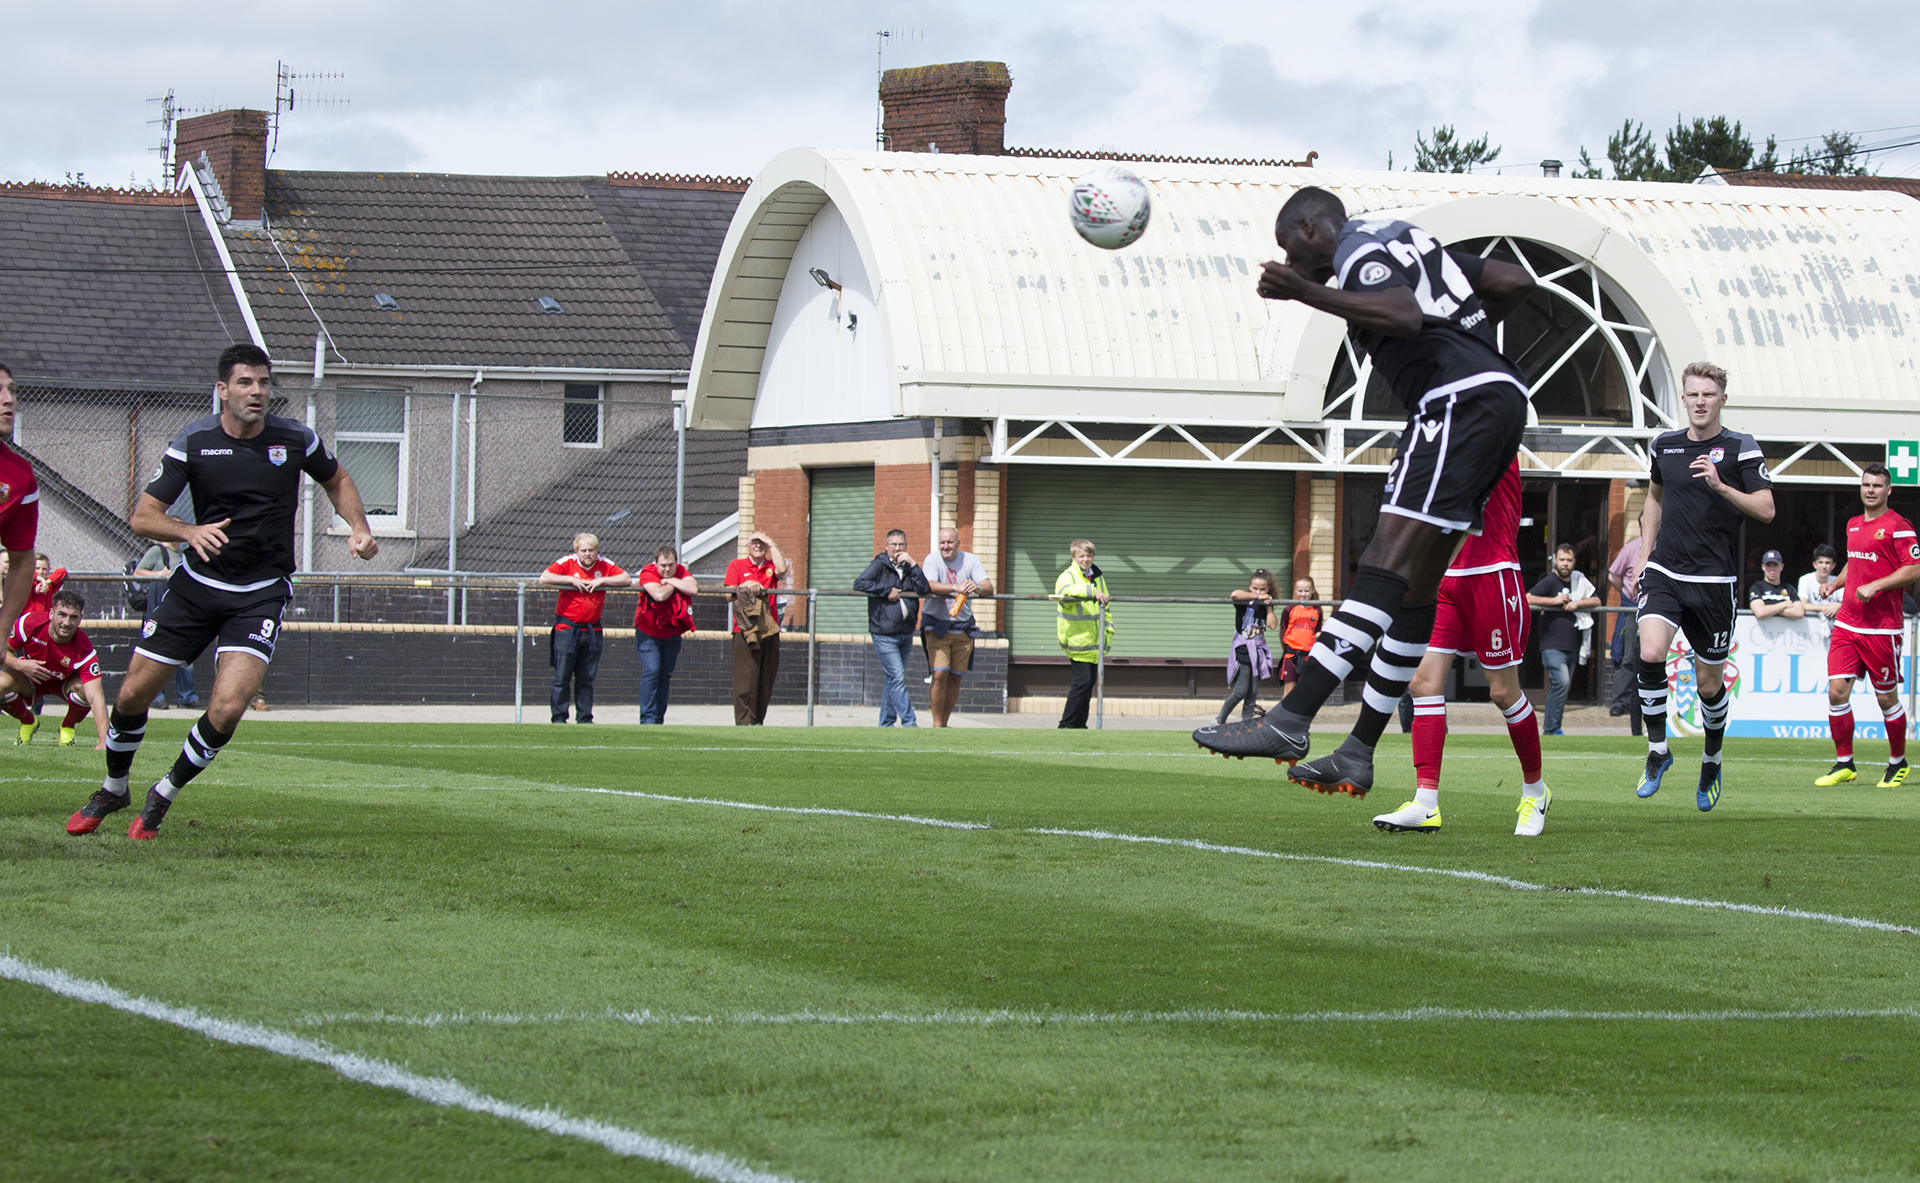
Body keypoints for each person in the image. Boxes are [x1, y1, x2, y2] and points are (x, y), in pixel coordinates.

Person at [1197, 186, 1536, 773]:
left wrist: (1305, 291)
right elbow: (1513, 282)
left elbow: (1404, 316)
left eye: (1288, 247)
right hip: (1497, 398)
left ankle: (1290, 719)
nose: (1290, 260)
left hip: (1456, 400)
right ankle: (1357, 751)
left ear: (1308, 227)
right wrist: (1462, 339)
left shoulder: (1353, 247)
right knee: (1417, 586)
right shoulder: (1407, 237)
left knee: (1385, 561)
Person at [65, 342, 378, 840]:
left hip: (260, 593)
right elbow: (142, 517)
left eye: (263, 382)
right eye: (245, 383)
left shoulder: (295, 438)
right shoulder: (194, 441)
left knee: (228, 707)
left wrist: (357, 526)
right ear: (222, 390)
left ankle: (163, 793)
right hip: (194, 587)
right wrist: (187, 532)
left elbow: (337, 478)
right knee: (132, 694)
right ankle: (114, 785)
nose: (256, 392)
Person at [1334, 460, 1551, 834]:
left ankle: (1535, 791)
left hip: (1491, 574)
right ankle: (1425, 802)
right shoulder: (1444, 436)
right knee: (1423, 683)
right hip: (1443, 578)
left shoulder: (1496, 428)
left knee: (1502, 693)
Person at [1630, 361, 1774, 812]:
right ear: (1684, 397)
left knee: (1708, 684)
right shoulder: (1665, 446)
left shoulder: (1740, 448)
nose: (1699, 402)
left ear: (1722, 400)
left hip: (1714, 581)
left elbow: (1767, 509)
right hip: (1666, 572)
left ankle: (1711, 759)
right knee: (1651, 652)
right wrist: (1645, 556)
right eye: (1692, 394)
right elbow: (1654, 498)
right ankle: (1658, 751)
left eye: (1708, 395)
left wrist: (1721, 486)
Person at [1814, 465, 1919, 789]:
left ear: (1888, 491)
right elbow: (1855, 560)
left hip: (1881, 628)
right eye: (1866, 485)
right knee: (1836, 692)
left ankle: (1897, 762)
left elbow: (1914, 569)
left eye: (1876, 485)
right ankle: (1845, 763)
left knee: (1886, 699)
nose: (1870, 490)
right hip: (1848, 622)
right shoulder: (1854, 524)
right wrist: (1836, 584)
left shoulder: (1898, 527)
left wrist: (1877, 587)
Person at [539, 532, 629, 724]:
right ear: (577, 551)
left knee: (586, 678)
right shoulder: (567, 562)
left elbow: (626, 579)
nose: (588, 554)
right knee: (562, 676)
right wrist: (571, 580)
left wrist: (601, 581)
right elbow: (544, 577)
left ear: (597, 550)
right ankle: (559, 718)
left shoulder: (603, 564)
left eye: (592, 550)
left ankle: (585, 718)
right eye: (584, 550)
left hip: (592, 630)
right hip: (567, 628)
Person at [3, 590, 107, 748]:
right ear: (51, 613)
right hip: (31, 679)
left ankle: (67, 727)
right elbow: (3, 651)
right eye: (62, 614)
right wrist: (20, 665)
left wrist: (104, 742)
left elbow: (96, 697)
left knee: (85, 691)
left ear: (80, 620)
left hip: (64, 684)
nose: (66, 622)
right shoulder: (29, 623)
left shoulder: (85, 649)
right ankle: (28, 722)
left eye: (73, 617)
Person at [855, 529, 931, 727]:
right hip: (884, 633)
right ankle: (909, 722)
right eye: (894, 545)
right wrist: (885, 590)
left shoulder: (909, 568)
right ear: (886, 547)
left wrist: (913, 564)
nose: (898, 549)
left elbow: (924, 589)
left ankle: (886, 723)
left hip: (906, 633)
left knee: (893, 679)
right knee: (897, 677)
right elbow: (860, 583)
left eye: (901, 545)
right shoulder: (879, 565)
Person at [921, 527, 993, 728]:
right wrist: (955, 587)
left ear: (958, 543)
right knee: (940, 674)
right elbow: (929, 585)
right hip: (937, 627)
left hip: (963, 628)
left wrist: (976, 588)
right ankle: (936, 725)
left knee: (955, 678)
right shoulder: (932, 560)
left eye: (950, 542)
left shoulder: (970, 560)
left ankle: (944, 724)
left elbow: (988, 587)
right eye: (942, 542)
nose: (946, 546)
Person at [1527, 543, 1601, 737]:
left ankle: (1552, 729)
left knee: (1561, 686)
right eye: (1562, 560)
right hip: (1551, 645)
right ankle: (1551, 728)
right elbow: (1527, 598)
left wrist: (1578, 602)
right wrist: (1553, 601)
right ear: (1555, 561)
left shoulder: (1579, 581)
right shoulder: (1550, 581)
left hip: (1571, 645)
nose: (1565, 564)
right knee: (1561, 681)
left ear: (1574, 562)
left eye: (1569, 560)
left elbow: (1597, 601)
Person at [725, 531, 790, 726]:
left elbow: (782, 570)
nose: (758, 547)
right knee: (746, 679)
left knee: (766, 678)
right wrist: (744, 585)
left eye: (762, 544)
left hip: (769, 629)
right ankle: (744, 722)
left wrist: (772, 543)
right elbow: (728, 595)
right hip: (745, 630)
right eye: (754, 543)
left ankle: (757, 721)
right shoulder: (737, 565)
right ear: (747, 546)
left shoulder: (770, 566)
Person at [132, 539, 201, 711]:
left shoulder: (183, 555)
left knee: (184, 653)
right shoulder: (158, 551)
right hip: (158, 608)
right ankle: (156, 696)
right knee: (156, 652)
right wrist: (158, 574)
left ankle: (187, 697)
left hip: (181, 609)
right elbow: (137, 573)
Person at [634, 544, 697, 725]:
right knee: (652, 670)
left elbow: (693, 588)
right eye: (663, 566)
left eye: (671, 565)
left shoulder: (680, 571)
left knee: (664, 675)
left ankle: (658, 719)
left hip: (672, 632)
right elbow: (659, 594)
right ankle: (648, 719)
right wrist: (677, 584)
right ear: (655, 563)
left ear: (676, 563)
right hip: (649, 631)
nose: (667, 569)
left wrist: (670, 581)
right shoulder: (648, 572)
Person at [0, 361, 38, 659]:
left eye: (12, 390)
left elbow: (23, 560)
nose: (8, 398)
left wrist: (2, 629)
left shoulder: (19, 476)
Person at [1054, 539, 1113, 729]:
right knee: (1082, 683)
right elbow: (1062, 592)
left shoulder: (1097, 576)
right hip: (1077, 640)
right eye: (1081, 556)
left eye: (1089, 555)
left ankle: (1080, 724)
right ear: (1074, 557)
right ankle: (1067, 723)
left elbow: (1106, 606)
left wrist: (1108, 633)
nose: (1086, 559)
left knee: (1088, 686)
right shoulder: (1068, 575)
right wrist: (1091, 591)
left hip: (1094, 642)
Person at [1217, 570, 1279, 725]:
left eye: (1263, 589)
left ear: (1269, 589)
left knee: (1252, 692)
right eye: (1255, 588)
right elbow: (1234, 595)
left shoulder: (1264, 606)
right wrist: (1257, 596)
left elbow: (1272, 625)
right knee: (1240, 691)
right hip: (1244, 649)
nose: (1259, 592)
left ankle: (1246, 723)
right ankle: (1219, 720)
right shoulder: (1245, 601)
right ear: (1249, 587)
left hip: (1258, 650)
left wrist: (1269, 606)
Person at [1277, 577, 1322, 696]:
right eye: (1300, 591)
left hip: (1307, 655)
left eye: (1307, 591)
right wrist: (1286, 649)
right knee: (1289, 689)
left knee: (1303, 690)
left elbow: (1315, 632)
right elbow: (1282, 631)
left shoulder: (1317, 611)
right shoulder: (1289, 609)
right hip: (1291, 655)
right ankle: (1285, 714)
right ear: (1295, 591)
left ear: (1312, 590)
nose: (1303, 594)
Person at [1749, 550, 1803, 622]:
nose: (1772, 569)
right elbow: (1760, 612)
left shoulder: (1789, 588)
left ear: (1782, 566)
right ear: (1763, 567)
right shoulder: (1757, 587)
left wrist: (1769, 609)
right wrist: (1784, 604)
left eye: (1775, 565)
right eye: (1768, 565)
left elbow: (1799, 612)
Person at [1799, 544, 1844, 619]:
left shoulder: (1837, 581)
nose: (1824, 566)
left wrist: (1839, 605)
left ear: (1833, 566)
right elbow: (1802, 604)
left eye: (1827, 563)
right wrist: (1823, 608)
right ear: (1815, 564)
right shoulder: (1805, 579)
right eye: (1820, 562)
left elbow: (1846, 604)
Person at [27, 553, 65, 617]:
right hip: (28, 619)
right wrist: (41, 580)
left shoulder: (50, 585)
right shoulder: (28, 582)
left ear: (49, 569)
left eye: (44, 569)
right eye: (37, 568)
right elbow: (26, 572)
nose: (41, 571)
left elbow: (62, 571)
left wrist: (46, 583)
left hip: (45, 619)